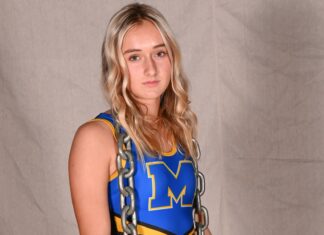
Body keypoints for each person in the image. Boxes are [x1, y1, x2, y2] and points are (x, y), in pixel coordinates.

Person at [68, 3, 211, 235]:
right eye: (134, 57)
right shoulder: (96, 138)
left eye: (159, 53)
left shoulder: (178, 129)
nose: (151, 68)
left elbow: (195, 223)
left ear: (172, 59)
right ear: (115, 65)